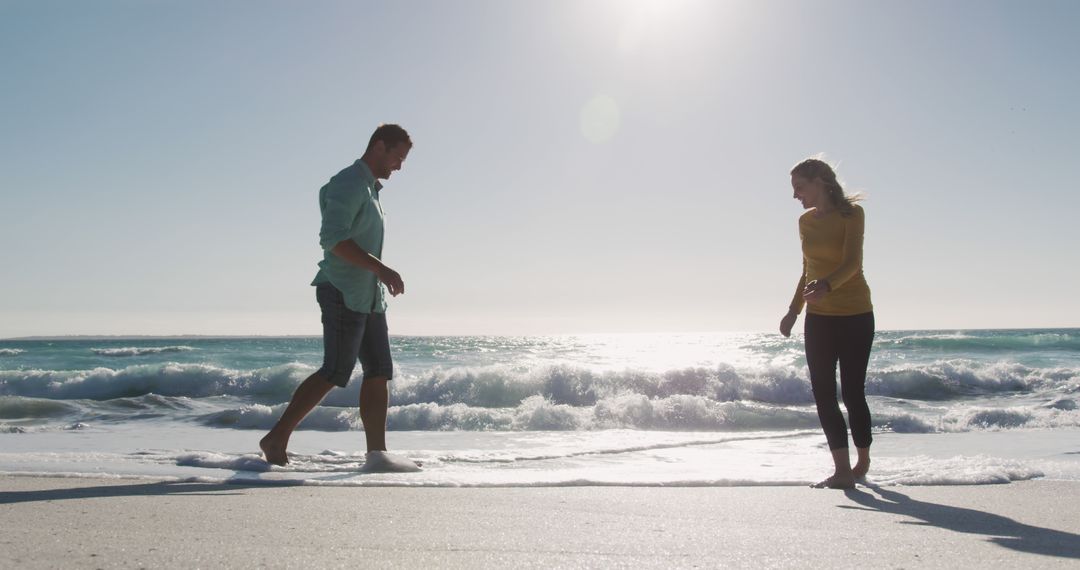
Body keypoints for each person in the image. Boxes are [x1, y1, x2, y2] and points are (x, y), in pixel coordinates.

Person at [260, 124, 414, 469]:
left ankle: (377, 455)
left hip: (369, 296)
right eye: (397, 157)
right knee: (335, 370)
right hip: (343, 289)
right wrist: (381, 269)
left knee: (379, 371)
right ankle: (276, 438)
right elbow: (332, 238)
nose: (399, 166)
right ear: (378, 147)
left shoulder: (370, 189)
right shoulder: (348, 183)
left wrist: (377, 275)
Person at [779, 158, 875, 489]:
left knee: (852, 392)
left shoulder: (852, 215)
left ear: (820, 181)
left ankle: (862, 460)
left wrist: (827, 286)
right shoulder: (805, 222)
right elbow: (808, 269)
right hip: (818, 318)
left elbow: (852, 263)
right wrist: (794, 310)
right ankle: (842, 470)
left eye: (799, 187)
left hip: (856, 314)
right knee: (822, 392)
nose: (795, 195)